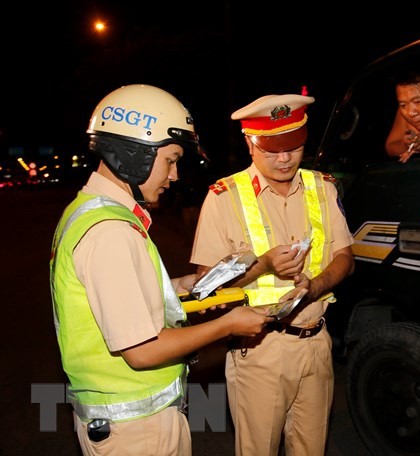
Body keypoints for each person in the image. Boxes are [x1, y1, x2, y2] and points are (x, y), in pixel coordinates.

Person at [49, 84, 273, 456]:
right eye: (170, 160)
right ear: (133, 154)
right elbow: (142, 349)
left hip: (125, 424)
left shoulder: (90, 212)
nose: (174, 175)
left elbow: (116, 299)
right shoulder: (111, 232)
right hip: (135, 432)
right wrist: (228, 325)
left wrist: (187, 284)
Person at [190, 93, 355, 455]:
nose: (284, 159)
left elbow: (345, 257)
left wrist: (314, 288)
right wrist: (262, 265)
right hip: (260, 351)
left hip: (316, 344)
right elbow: (205, 287)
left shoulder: (322, 187)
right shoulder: (223, 198)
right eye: (272, 149)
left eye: (293, 147)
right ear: (250, 143)